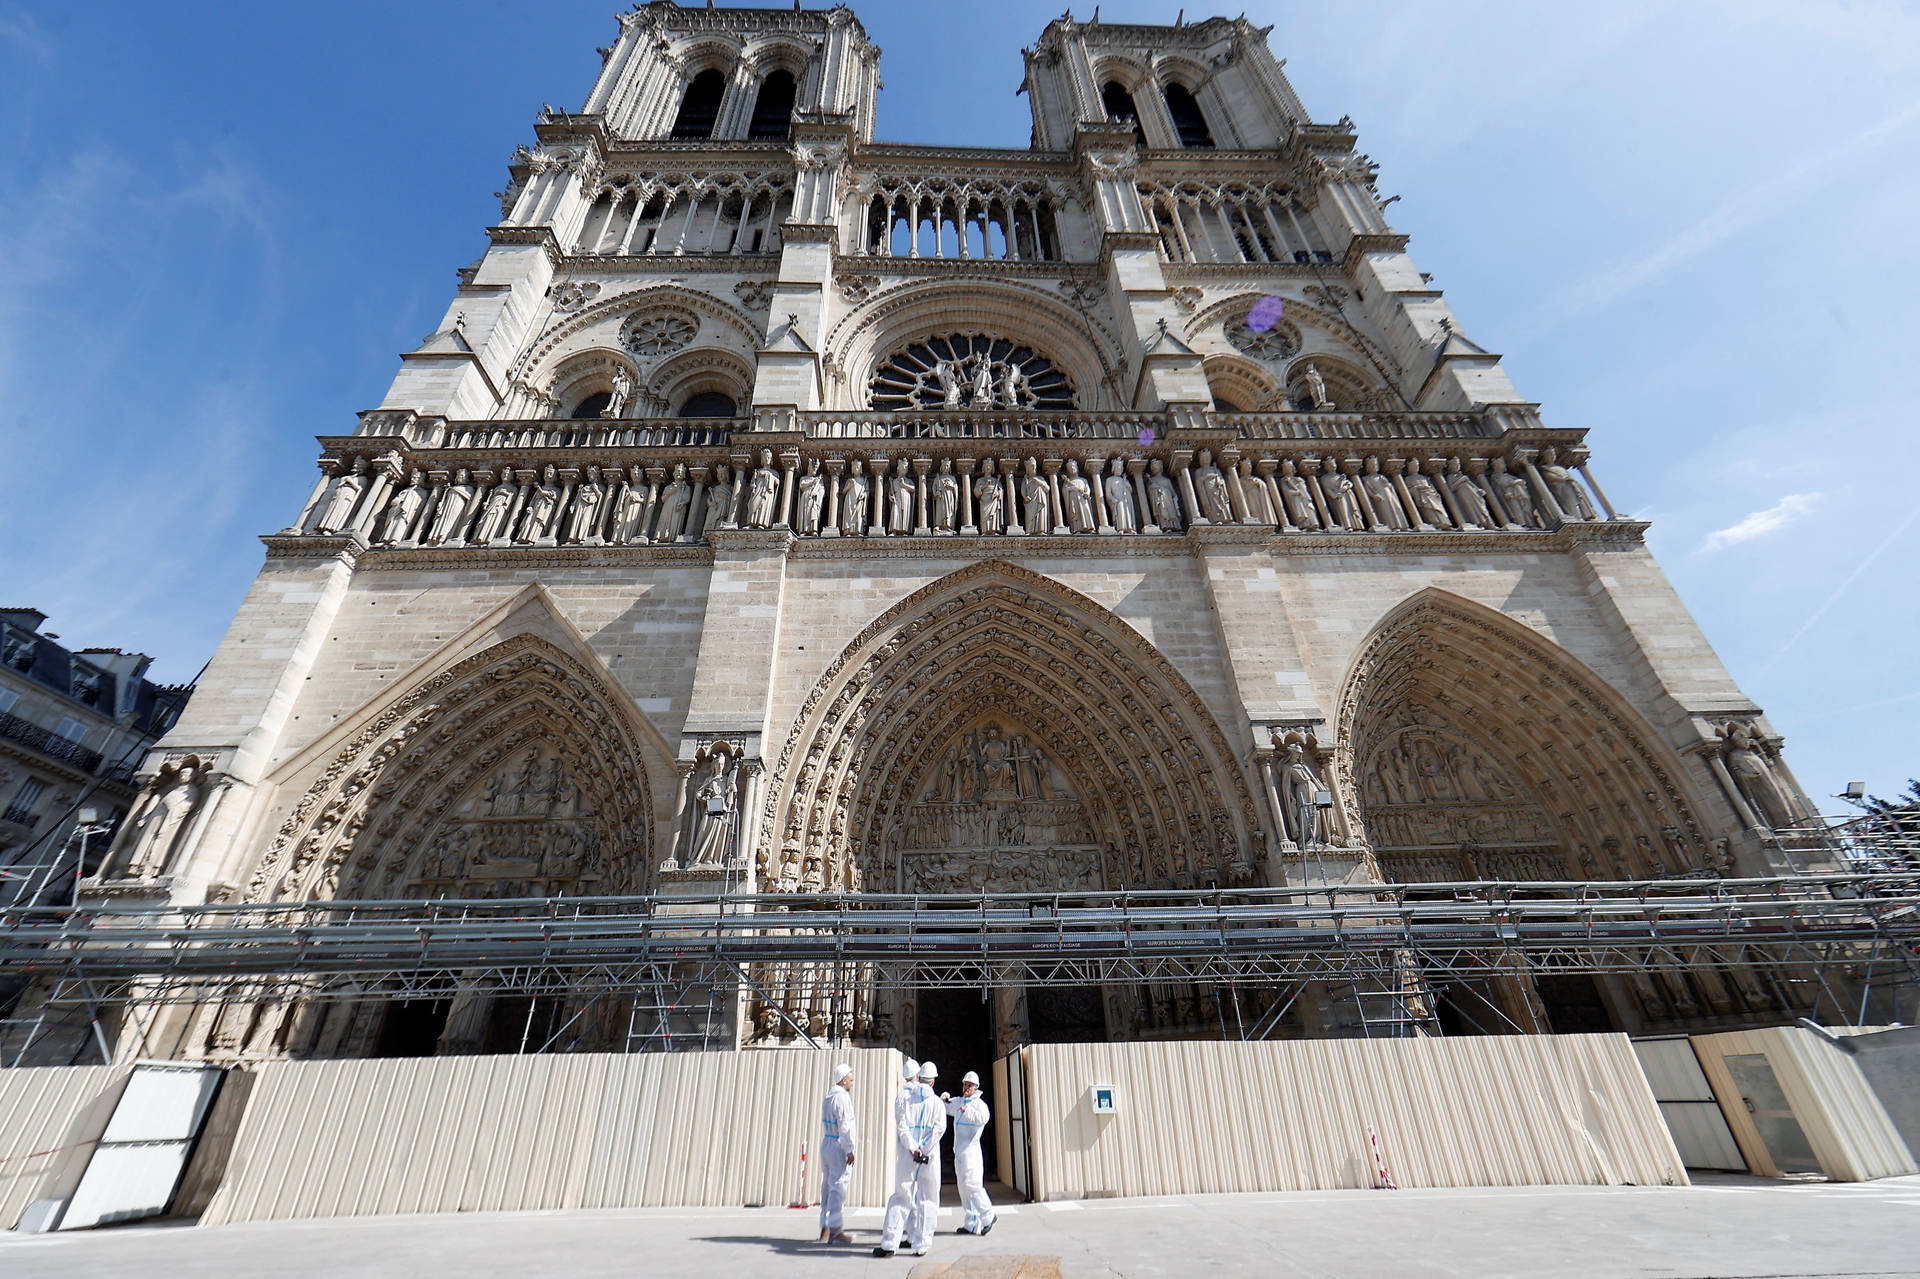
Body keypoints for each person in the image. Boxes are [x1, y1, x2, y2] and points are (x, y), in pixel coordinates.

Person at [875, 1059, 945, 1258]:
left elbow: (902, 1127)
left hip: (908, 1155)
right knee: (929, 1198)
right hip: (930, 1157)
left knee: (901, 1196)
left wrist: (913, 1148)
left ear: (919, 1078)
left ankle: (890, 1244)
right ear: (932, 1082)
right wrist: (924, 1148)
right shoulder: (938, 1103)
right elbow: (939, 1129)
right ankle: (922, 1245)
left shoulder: (905, 1100)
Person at [942, 1070, 996, 1236]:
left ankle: (988, 1215)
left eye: (970, 1085)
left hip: (971, 1152)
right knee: (963, 1188)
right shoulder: (960, 1101)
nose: (966, 1087)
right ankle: (971, 1223)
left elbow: (983, 1118)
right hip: (959, 1152)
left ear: (976, 1087)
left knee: (972, 1185)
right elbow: (946, 1107)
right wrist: (943, 1099)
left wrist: (967, 1110)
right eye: (965, 1084)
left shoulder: (978, 1105)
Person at [818, 1063, 858, 1245]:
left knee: (827, 1187)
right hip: (837, 1146)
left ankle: (825, 1228)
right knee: (838, 1188)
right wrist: (849, 1150)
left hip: (827, 1143)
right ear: (843, 1081)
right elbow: (845, 1126)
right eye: (850, 1080)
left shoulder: (829, 1097)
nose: (852, 1083)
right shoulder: (842, 1098)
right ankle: (835, 1231)